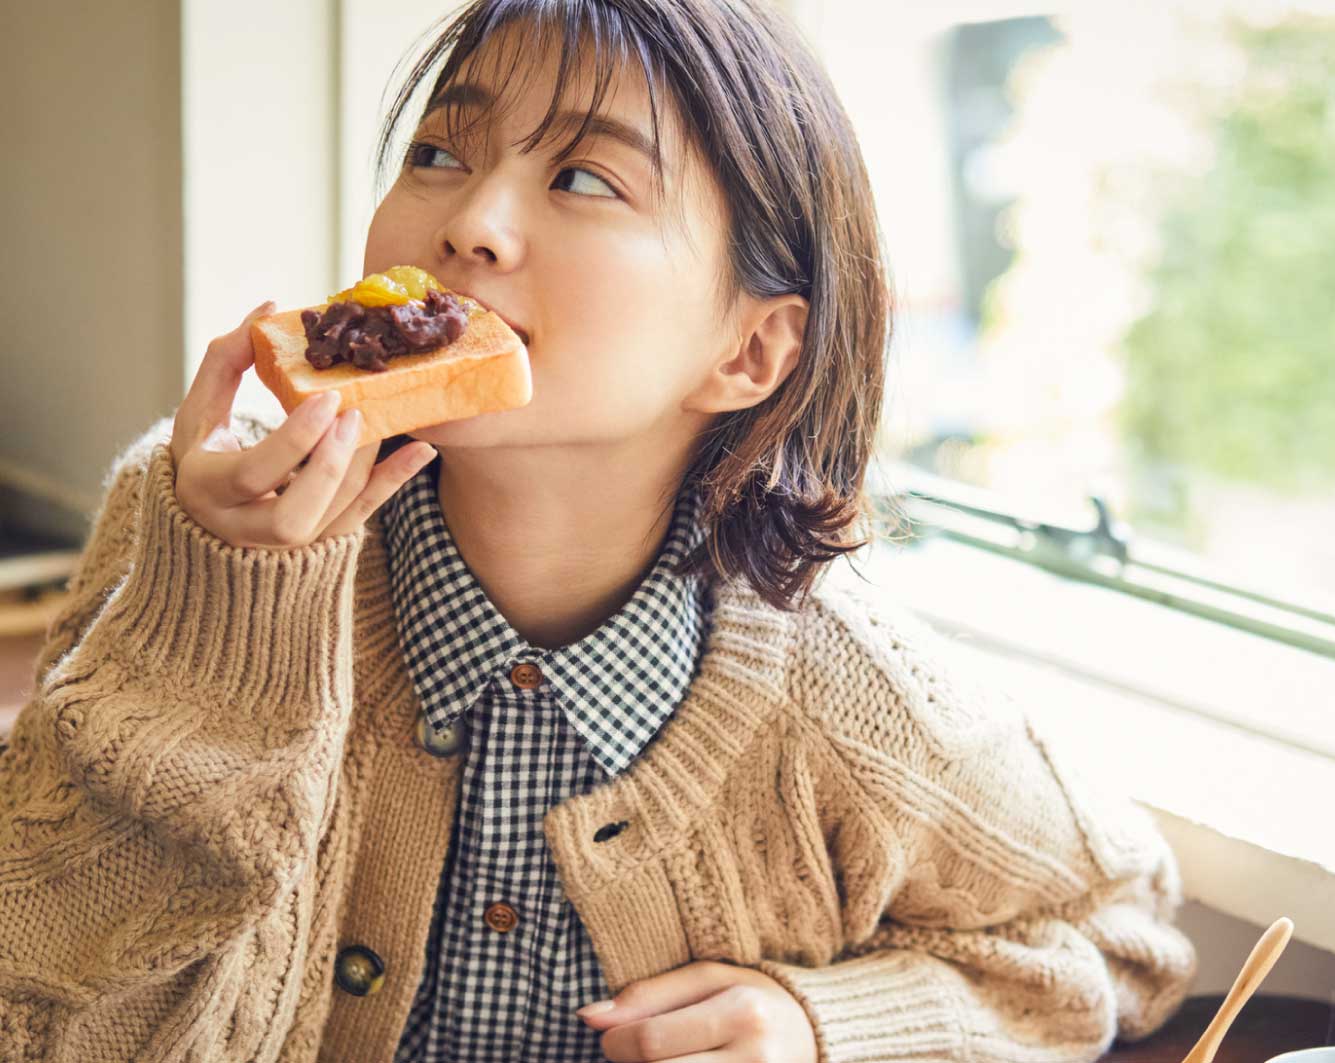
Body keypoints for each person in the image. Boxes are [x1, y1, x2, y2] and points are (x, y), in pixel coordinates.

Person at [0, 1, 1196, 1059]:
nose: (469, 223)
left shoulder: (855, 698)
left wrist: (828, 1026)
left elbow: (1120, 936)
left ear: (750, 351)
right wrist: (225, 624)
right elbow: (38, 992)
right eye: (435, 152)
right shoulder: (197, 533)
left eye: (583, 179)